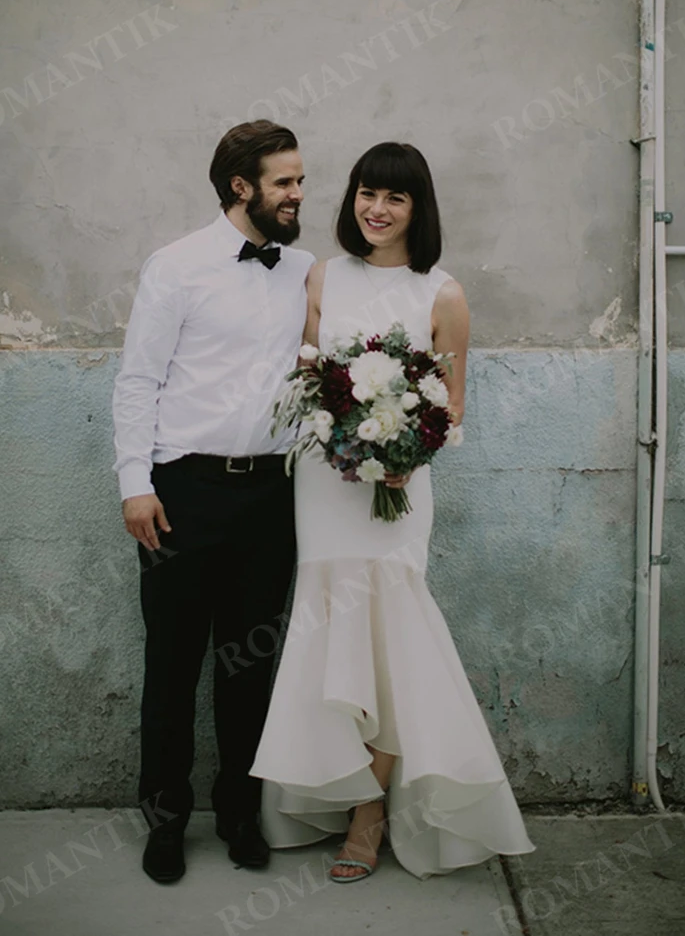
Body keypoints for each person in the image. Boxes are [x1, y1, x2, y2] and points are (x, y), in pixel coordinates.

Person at [250, 141, 536, 881]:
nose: (376, 209)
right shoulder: (323, 274)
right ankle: (328, 783)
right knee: (327, 626)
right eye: (366, 193)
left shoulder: (441, 292)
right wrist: (337, 430)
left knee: (390, 639)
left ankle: (369, 814)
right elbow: (309, 379)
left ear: (418, 209)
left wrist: (401, 454)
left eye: (395, 198)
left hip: (397, 492)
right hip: (323, 485)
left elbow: (452, 404)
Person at [112, 120, 313, 885]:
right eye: (285, 182)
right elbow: (138, 379)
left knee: (251, 664)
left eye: (299, 179)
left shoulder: (303, 270)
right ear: (242, 186)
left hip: (271, 494)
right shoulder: (176, 266)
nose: (299, 194)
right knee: (172, 662)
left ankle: (239, 811)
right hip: (181, 493)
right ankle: (165, 819)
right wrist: (136, 482)